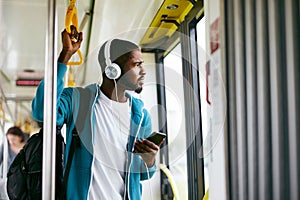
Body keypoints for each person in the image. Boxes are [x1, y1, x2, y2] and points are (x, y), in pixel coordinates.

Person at [31, 26, 164, 200]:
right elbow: (42, 112)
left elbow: (144, 174)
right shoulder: (78, 100)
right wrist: (65, 56)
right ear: (112, 69)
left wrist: (150, 161)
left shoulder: (140, 116)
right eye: (137, 64)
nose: (143, 71)